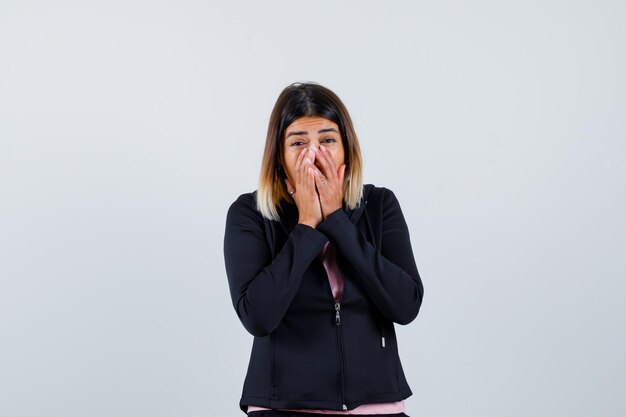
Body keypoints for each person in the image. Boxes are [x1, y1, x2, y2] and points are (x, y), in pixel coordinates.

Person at [224, 82, 424, 417]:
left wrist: (336, 221)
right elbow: (258, 316)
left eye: (328, 140)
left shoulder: (379, 205)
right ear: (279, 155)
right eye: (298, 143)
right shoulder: (250, 213)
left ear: (347, 148)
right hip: (282, 406)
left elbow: (405, 306)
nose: (314, 154)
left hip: (378, 404)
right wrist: (306, 227)